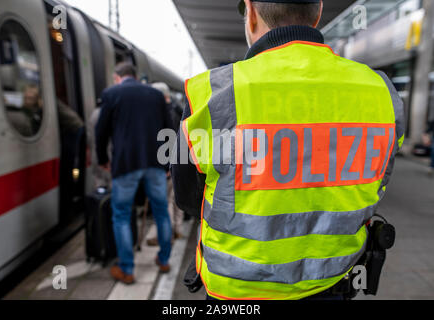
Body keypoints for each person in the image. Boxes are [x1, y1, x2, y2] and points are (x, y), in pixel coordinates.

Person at [171, 0, 405, 300]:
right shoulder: (380, 91)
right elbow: (379, 180)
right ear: (318, 12)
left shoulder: (210, 93)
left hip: (239, 290)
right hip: (334, 283)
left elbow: (187, 198)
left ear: (251, 13)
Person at [96, 62, 173, 285]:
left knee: (121, 214)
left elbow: (101, 131)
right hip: (155, 164)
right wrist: (167, 163)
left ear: (117, 77)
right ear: (135, 76)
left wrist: (103, 159)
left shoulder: (111, 94)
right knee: (161, 211)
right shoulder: (156, 95)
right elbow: (168, 128)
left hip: (125, 164)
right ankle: (164, 259)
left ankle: (127, 269)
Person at [147, 82, 185, 246]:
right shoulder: (178, 109)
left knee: (166, 201)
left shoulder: (165, 112)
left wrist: (166, 165)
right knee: (175, 200)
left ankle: (166, 235)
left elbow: (166, 139)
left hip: (169, 164)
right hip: (180, 160)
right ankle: (177, 229)